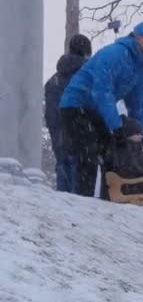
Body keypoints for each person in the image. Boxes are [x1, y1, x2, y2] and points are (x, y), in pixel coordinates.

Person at [59, 21, 143, 196]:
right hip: (75, 105)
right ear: (139, 37)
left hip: (95, 109)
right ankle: (82, 200)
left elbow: (138, 108)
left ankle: (110, 199)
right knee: (88, 154)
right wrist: (116, 127)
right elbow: (102, 92)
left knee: (111, 154)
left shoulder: (140, 70)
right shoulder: (115, 54)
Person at [44, 34, 91, 192]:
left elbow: (50, 111)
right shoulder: (86, 75)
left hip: (57, 130)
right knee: (79, 169)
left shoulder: (53, 80)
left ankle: (63, 206)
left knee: (62, 165)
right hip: (79, 128)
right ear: (86, 52)